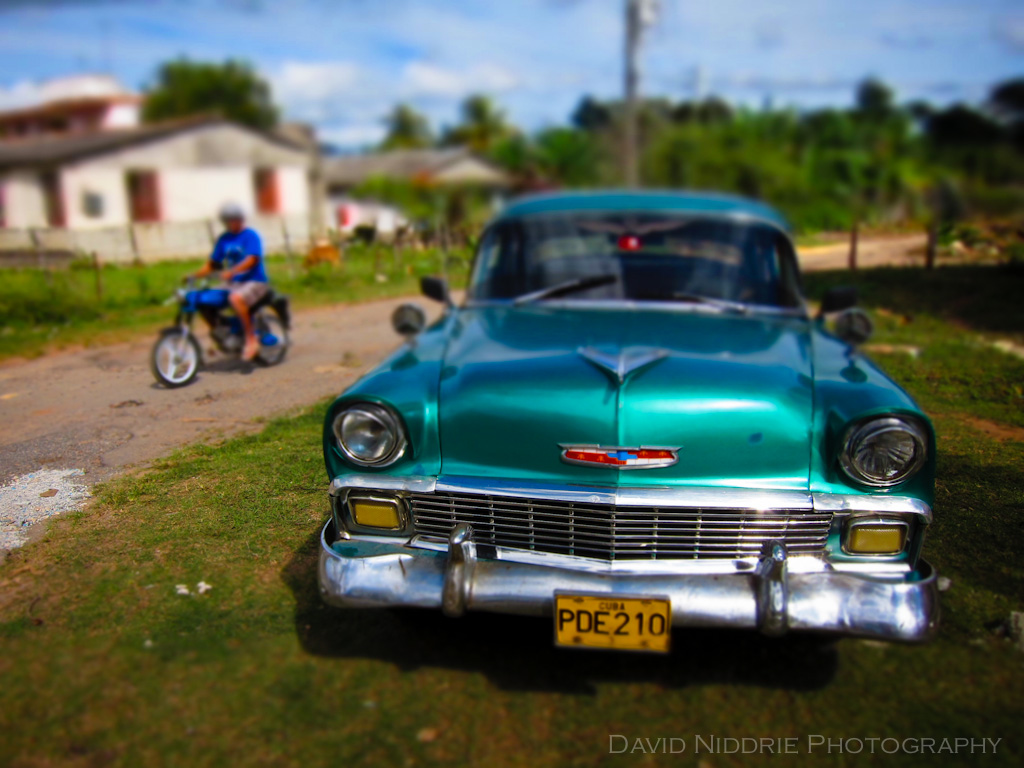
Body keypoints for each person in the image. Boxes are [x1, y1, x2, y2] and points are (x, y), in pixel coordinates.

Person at [189, 202, 269, 361]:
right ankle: (222, 333)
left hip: (255, 281)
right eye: (227, 220)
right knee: (201, 299)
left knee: (235, 298)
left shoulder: (250, 235)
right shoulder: (224, 239)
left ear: (240, 219)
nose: (230, 223)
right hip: (233, 282)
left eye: (233, 219)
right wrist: (194, 275)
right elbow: (212, 264)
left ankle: (251, 339)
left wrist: (232, 271)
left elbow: (252, 259)